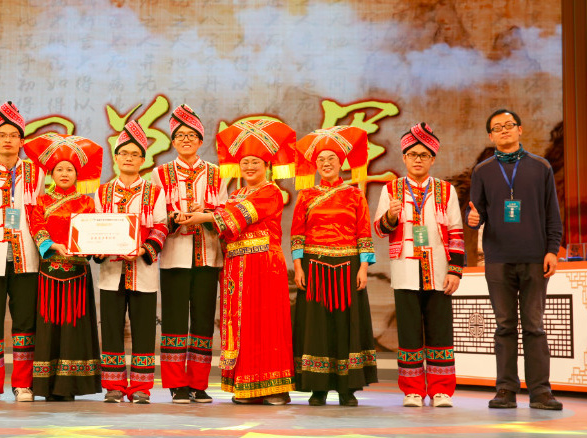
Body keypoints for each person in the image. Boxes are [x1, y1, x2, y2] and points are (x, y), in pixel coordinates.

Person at [177, 119, 297, 405]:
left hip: (263, 265)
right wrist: (204, 211)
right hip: (236, 266)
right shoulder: (236, 194)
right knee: (240, 326)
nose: (249, 167)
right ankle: (246, 385)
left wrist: (206, 216)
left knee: (265, 323)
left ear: (267, 165)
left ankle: (274, 387)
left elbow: (241, 216)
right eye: (245, 163)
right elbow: (225, 216)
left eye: (255, 162)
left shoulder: (271, 192)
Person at [466, 109, 563, 410]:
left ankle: (541, 392)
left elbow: (552, 213)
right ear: (490, 136)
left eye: (509, 125)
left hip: (535, 257)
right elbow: (476, 212)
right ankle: (505, 390)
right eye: (497, 127)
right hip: (498, 259)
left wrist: (552, 249)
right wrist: (473, 219)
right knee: (504, 326)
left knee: (534, 326)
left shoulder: (540, 166)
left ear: (520, 130)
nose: (504, 130)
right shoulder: (482, 171)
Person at [373, 122, 464, 407]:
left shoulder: (446, 190)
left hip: (439, 271)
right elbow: (379, 229)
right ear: (404, 157)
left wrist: (455, 271)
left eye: (424, 155)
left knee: (440, 331)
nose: (418, 159)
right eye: (412, 154)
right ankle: (412, 390)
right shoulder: (391, 189)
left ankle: (441, 390)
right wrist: (390, 216)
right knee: (409, 333)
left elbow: (457, 232)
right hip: (405, 272)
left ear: (432, 159)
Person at [291, 126, 378, 407]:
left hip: (348, 267)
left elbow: (364, 233)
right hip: (314, 266)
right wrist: (298, 267)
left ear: (341, 163)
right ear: (315, 165)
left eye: (331, 159)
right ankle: (317, 388)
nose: (326, 163)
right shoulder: (306, 195)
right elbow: (297, 234)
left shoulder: (354, 194)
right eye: (321, 160)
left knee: (346, 326)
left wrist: (363, 268)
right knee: (316, 328)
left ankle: (346, 388)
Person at [151, 104, 228, 404]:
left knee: (203, 323)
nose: (186, 140)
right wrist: (174, 217)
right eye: (180, 135)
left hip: (208, 256)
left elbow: (224, 213)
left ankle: (198, 383)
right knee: (173, 322)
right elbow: (156, 216)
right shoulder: (159, 174)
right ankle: (175, 383)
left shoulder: (217, 174)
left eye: (191, 135)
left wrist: (205, 212)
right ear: (173, 141)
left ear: (200, 140)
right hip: (174, 256)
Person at [0, 101, 45, 402]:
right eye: (2, 135)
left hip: (26, 259)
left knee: (25, 322)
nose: (8, 140)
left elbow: (42, 215)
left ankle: (23, 384)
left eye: (14, 135)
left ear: (22, 141)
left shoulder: (36, 174)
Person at [25, 133, 104, 401]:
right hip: (49, 274)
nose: (65, 173)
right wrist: (52, 245)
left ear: (77, 175)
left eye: (69, 169)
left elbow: (93, 234)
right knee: (50, 328)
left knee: (74, 329)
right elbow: (37, 227)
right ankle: (47, 385)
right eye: (59, 169)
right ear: (51, 174)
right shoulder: (41, 201)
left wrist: (94, 247)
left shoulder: (88, 203)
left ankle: (70, 386)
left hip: (78, 274)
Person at [96, 120, 168, 404]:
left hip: (143, 271)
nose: (128, 158)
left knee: (143, 330)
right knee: (111, 329)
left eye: (134, 154)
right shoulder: (102, 192)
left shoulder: (155, 192)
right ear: (116, 157)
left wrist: (142, 250)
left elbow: (161, 226)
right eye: (123, 153)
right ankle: (113, 386)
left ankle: (141, 387)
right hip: (111, 272)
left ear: (143, 160)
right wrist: (99, 249)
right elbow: (95, 228)